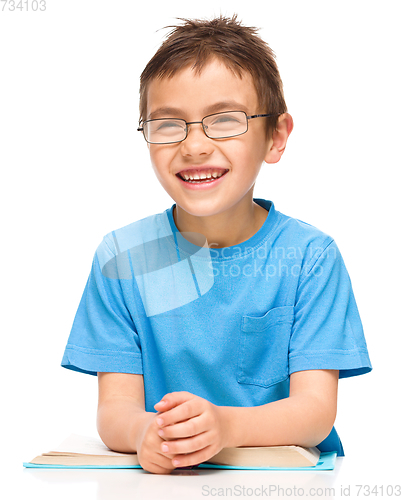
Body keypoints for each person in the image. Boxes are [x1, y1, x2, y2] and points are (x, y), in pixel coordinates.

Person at [61, 15, 372, 474]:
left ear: (276, 136)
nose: (193, 146)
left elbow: (315, 412)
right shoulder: (122, 258)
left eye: (224, 121)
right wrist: (143, 433)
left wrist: (223, 427)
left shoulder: (310, 257)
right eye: (168, 124)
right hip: (167, 484)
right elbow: (114, 411)